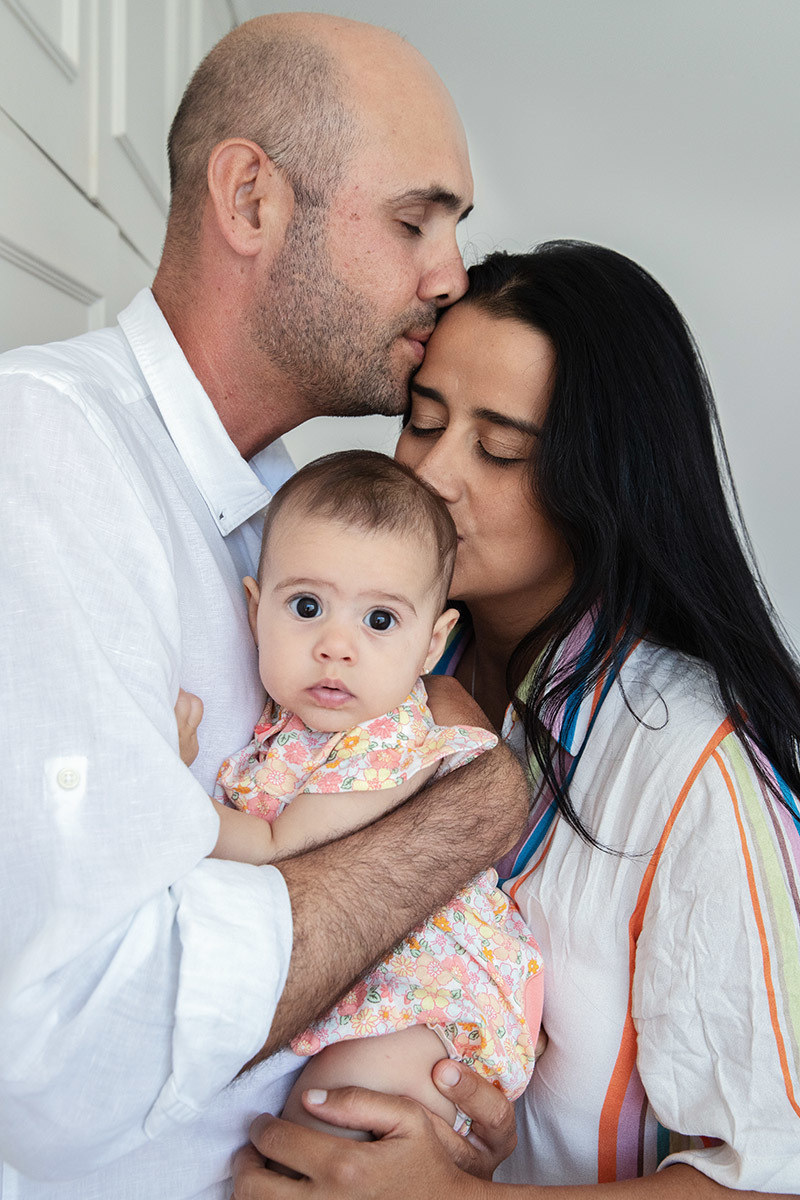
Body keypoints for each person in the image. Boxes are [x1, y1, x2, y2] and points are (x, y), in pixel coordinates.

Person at [0, 15, 530, 1200]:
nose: (448, 274)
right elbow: (73, 1058)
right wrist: (462, 815)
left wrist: (430, 1104)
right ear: (250, 200)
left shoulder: (293, 513)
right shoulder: (42, 455)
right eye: (413, 219)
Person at [232, 241, 800, 1198]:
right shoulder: (371, 672)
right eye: (422, 423)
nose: (437, 477)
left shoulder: (695, 763)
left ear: (604, 482)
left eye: (499, 449)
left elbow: (771, 1173)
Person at [185, 450, 543, 1134]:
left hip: (431, 1001)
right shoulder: (292, 724)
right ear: (256, 609)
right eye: (308, 606)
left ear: (431, 643)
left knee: (331, 1110)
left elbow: (272, 846)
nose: (335, 646)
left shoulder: (388, 742)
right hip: (361, 974)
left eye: (379, 621)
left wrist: (169, 797)